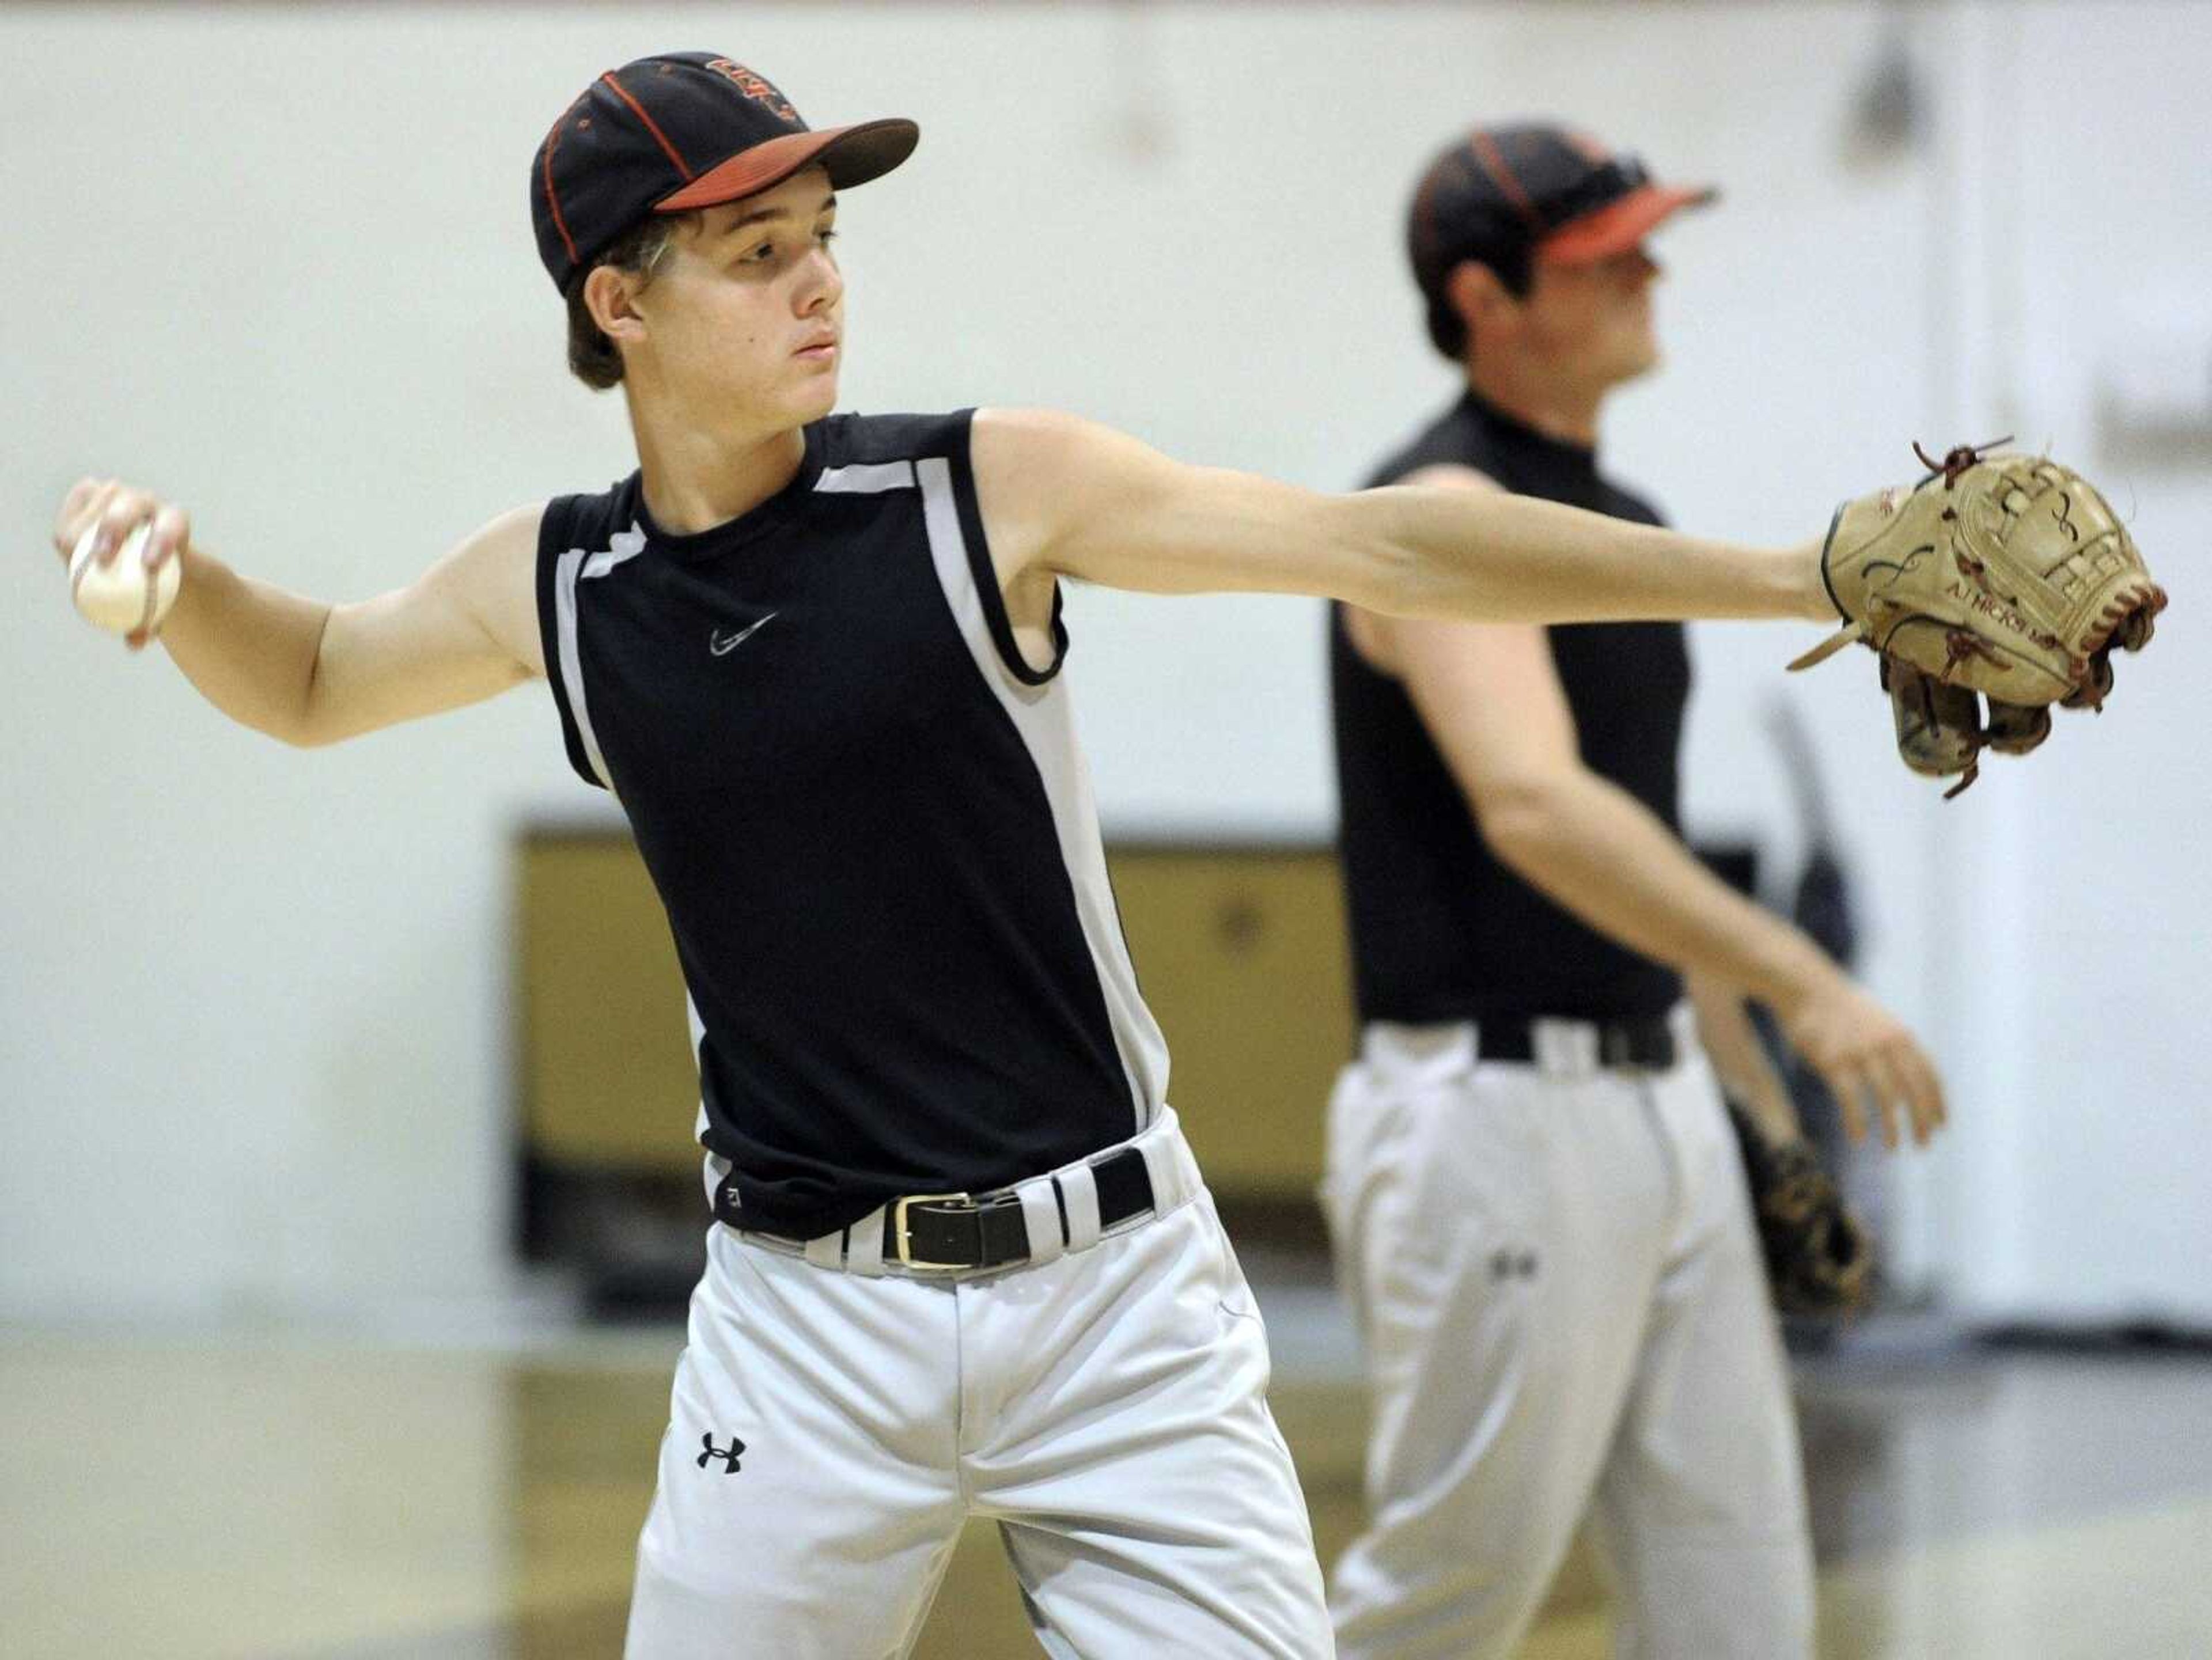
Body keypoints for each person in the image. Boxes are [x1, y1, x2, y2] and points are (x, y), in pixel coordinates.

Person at [50, 59, 1921, 1660]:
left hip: (1114, 1291)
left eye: (828, 242)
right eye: (760, 253)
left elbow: (1399, 549)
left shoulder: (977, 492)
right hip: (802, 1321)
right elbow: (303, 675)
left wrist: (1796, 573)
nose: (821, 289)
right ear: (619, 303)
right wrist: (175, 583)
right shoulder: (565, 582)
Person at [1320, 124, 1948, 1660]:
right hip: (1496, 1118)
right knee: (1448, 1595)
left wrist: (1753, 1115)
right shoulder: (1427, 512)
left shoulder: (1630, 527)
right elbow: (1535, 804)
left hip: (1654, 1103)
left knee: (1740, 1593)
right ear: (1484, 292)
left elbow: (1643, 856)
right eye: (1609, 257)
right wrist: (1809, 977)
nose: (1652, 272)